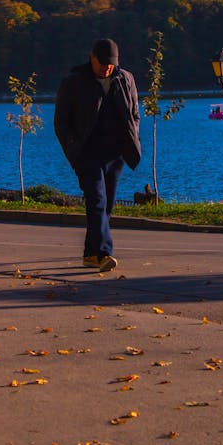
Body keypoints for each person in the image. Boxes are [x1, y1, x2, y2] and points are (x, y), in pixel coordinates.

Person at [54, 38, 141, 272]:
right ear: (92, 57)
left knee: (107, 204)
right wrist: (72, 147)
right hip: (86, 152)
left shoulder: (126, 79)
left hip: (115, 152)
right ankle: (104, 253)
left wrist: (133, 139)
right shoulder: (73, 83)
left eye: (111, 64)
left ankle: (89, 254)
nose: (107, 68)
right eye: (102, 63)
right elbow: (61, 122)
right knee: (97, 200)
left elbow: (134, 113)